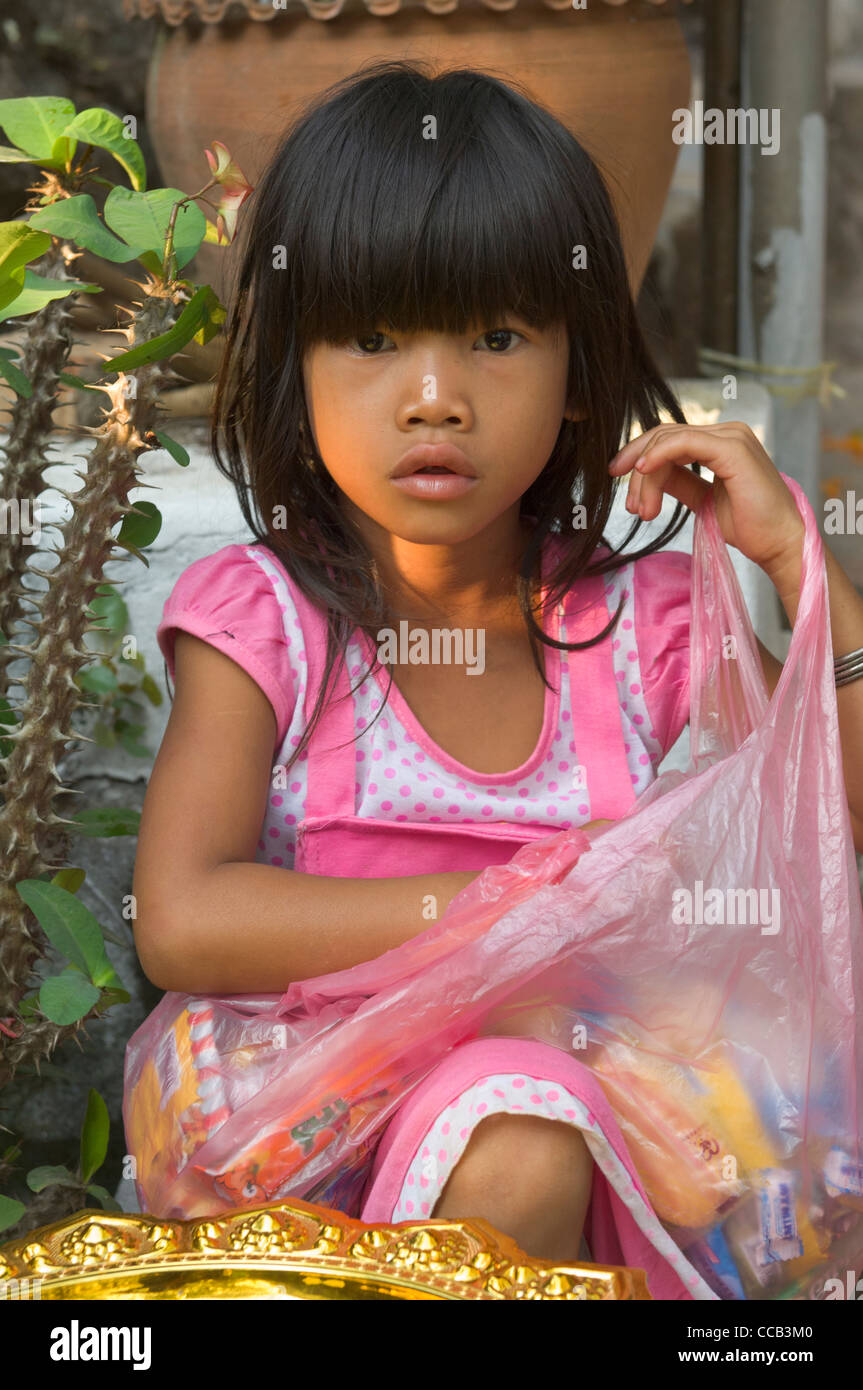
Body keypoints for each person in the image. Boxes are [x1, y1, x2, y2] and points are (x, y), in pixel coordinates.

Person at [130, 59, 863, 1299]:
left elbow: (825, 827)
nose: (433, 398)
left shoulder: (640, 630)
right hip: (315, 1154)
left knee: (550, 1103)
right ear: (293, 371)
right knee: (519, 1109)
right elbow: (185, 920)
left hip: (594, 1138)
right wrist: (505, 925)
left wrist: (799, 565)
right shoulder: (272, 622)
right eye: (370, 339)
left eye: (496, 338)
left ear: (579, 376)